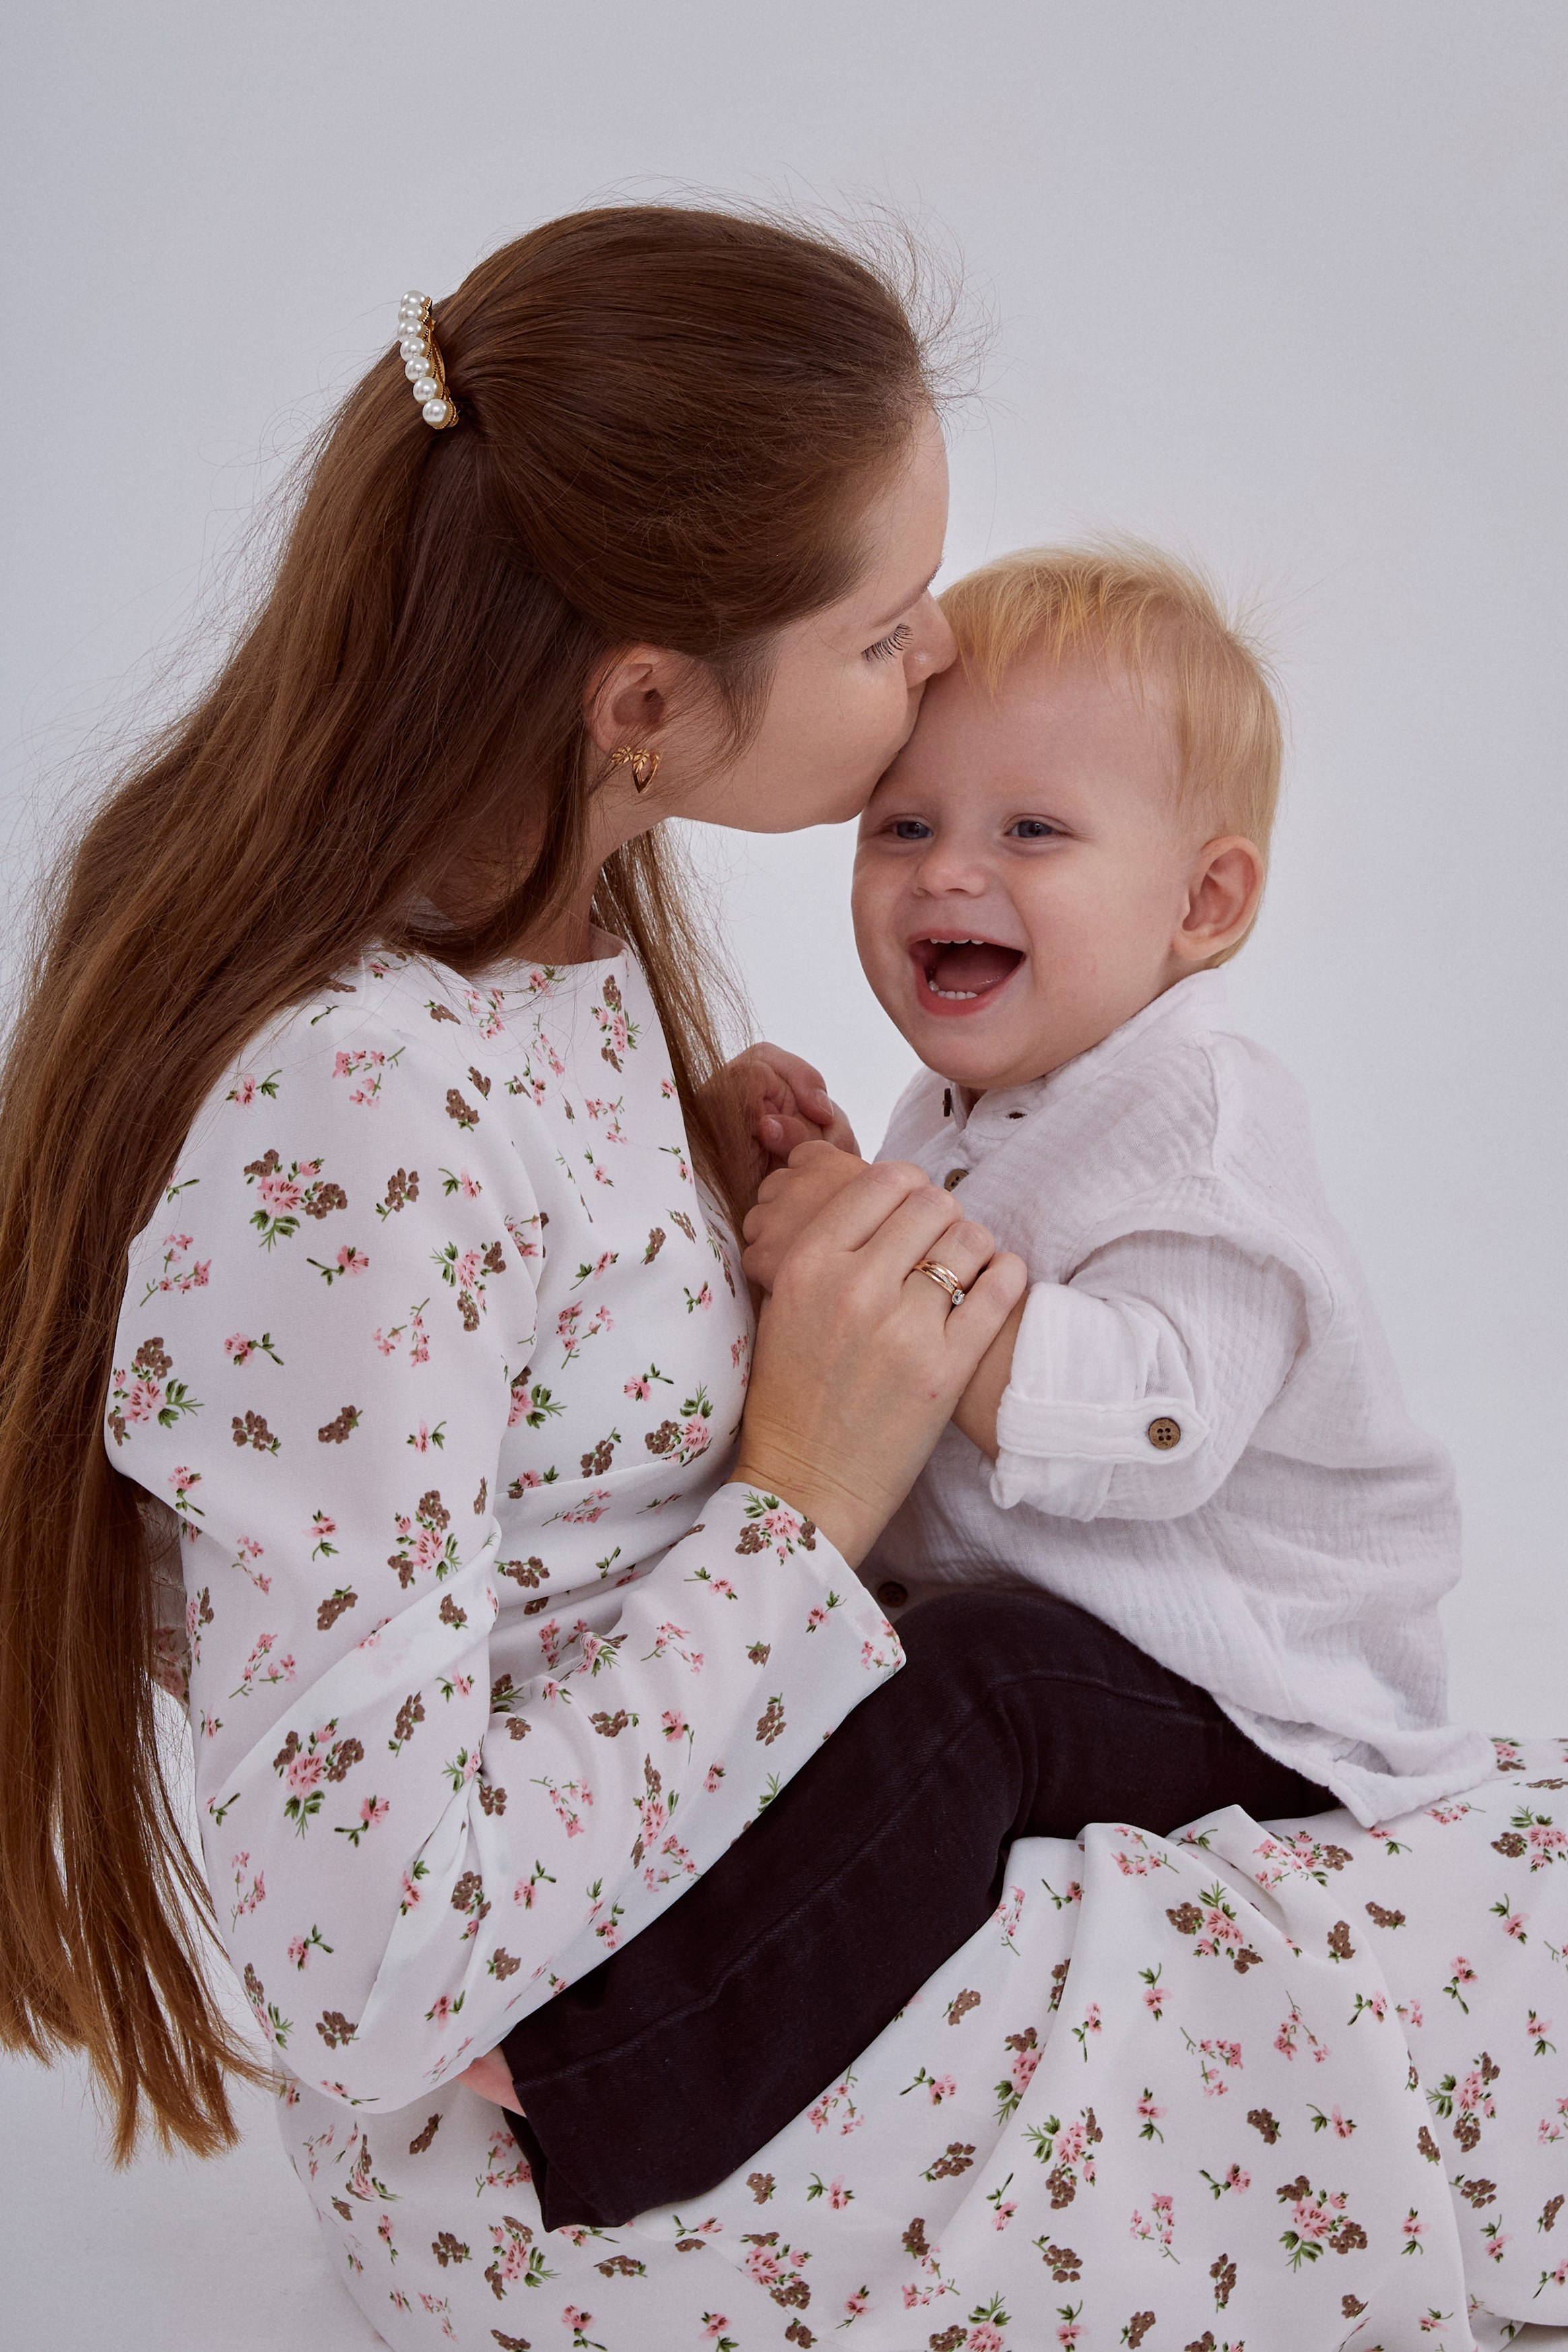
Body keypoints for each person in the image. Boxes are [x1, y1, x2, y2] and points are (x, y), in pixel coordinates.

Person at [486, 544, 1493, 2231]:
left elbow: (1157, 1425)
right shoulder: (955, 1111)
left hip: (1253, 1683)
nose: (950, 871)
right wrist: (779, 1198)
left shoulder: (1203, 1114)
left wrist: (881, 1248)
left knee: (973, 1687)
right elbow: (864, 1367)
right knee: (821, 1653)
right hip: (1083, 1619)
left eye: (1033, 831)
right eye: (902, 826)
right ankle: (602, 1935)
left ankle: (632, 2086)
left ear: (1204, 904)